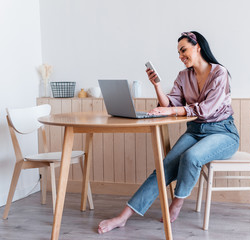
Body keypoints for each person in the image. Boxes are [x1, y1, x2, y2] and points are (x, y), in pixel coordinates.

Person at [98, 31, 240, 234]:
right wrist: (156, 85)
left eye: (184, 50)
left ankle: (177, 202)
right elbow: (170, 103)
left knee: (191, 157)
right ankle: (122, 217)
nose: (181, 56)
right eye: (179, 53)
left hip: (223, 132)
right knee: (163, 167)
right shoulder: (184, 76)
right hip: (195, 130)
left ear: (197, 46)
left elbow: (206, 109)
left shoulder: (219, 73)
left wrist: (171, 110)